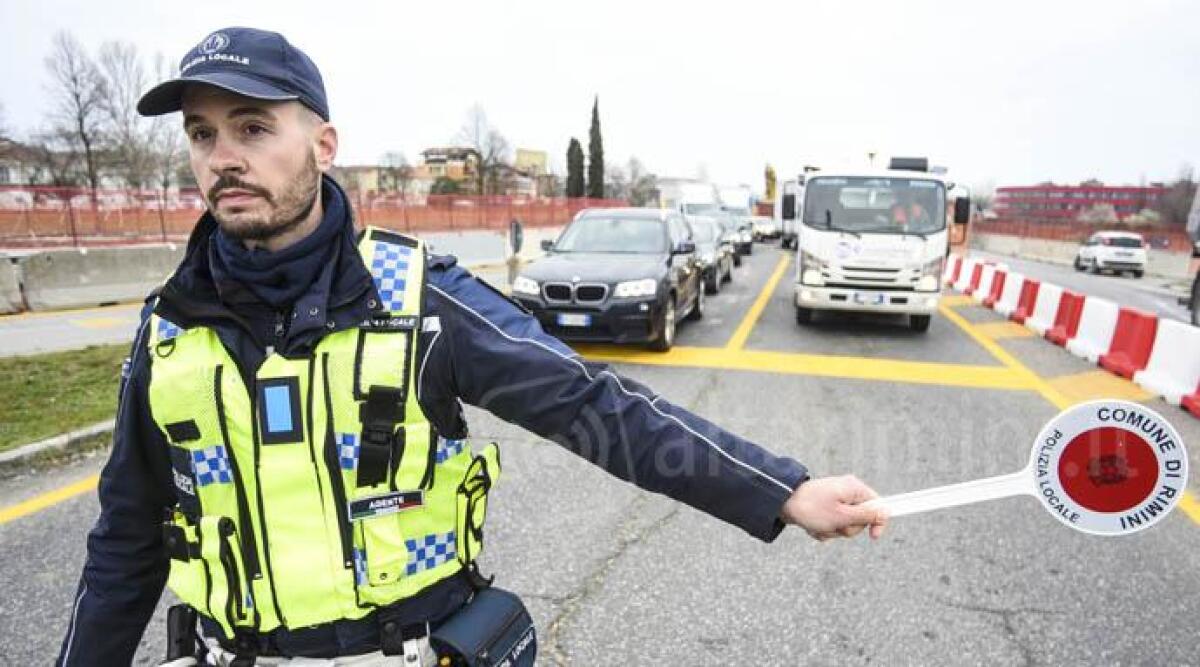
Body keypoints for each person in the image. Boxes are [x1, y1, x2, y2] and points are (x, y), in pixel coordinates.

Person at [55, 27, 887, 667]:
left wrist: (782, 490)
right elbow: (126, 542)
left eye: (252, 127)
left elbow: (598, 410)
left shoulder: (420, 300)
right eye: (202, 135)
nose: (223, 159)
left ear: (322, 143)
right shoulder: (168, 331)